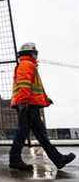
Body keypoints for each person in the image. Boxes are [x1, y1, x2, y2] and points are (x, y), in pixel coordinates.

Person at [9, 42, 76, 171]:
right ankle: (15, 159)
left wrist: (45, 99)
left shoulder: (28, 65)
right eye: (34, 53)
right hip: (27, 104)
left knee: (39, 134)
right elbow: (24, 84)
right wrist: (24, 103)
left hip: (29, 103)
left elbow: (34, 88)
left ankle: (58, 159)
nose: (36, 55)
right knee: (24, 132)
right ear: (29, 53)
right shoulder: (26, 64)